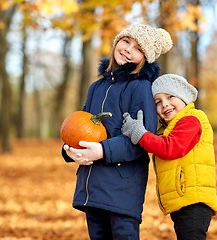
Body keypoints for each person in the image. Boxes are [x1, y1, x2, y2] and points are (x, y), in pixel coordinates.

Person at [61, 24, 172, 240]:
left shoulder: (140, 88)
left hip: (122, 190)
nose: (128, 49)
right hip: (92, 189)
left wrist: (101, 150)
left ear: (144, 59)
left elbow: (142, 140)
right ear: (116, 42)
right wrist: (70, 150)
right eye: (126, 41)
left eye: (138, 49)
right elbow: (81, 127)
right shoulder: (96, 87)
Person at [121, 74, 217, 240]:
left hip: (194, 201)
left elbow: (170, 147)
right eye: (158, 102)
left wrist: (140, 134)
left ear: (184, 97)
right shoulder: (169, 128)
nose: (164, 104)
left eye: (170, 96)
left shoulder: (191, 119)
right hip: (182, 201)